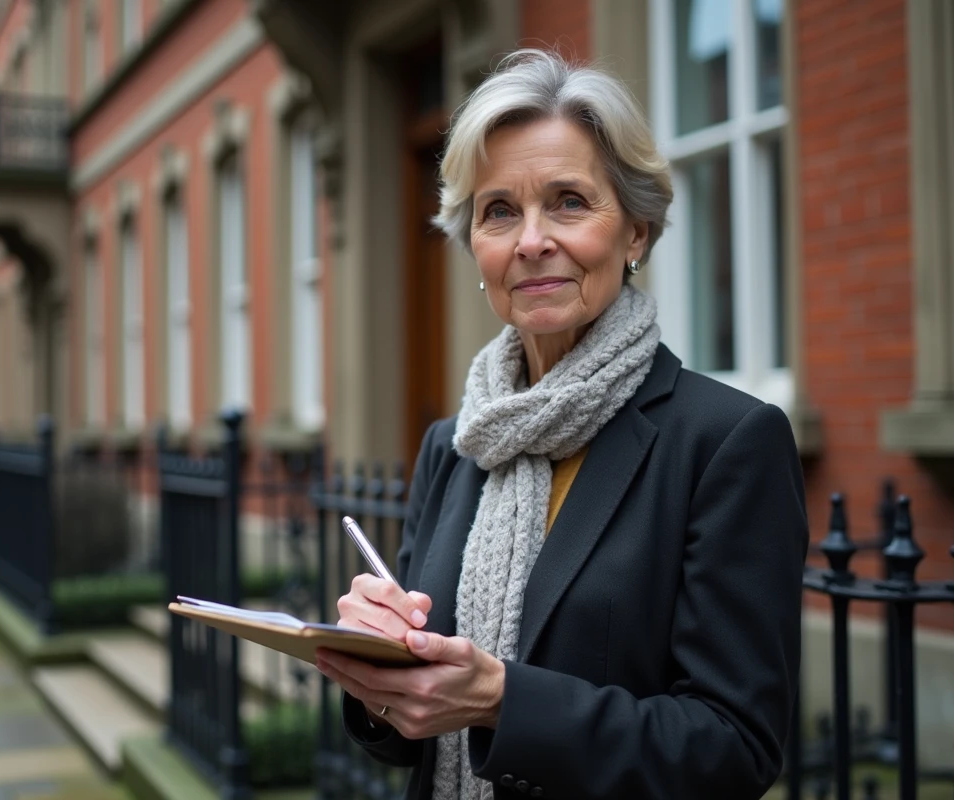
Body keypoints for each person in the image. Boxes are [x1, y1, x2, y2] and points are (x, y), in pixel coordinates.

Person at [313, 49, 808, 800]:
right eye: (499, 210)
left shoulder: (725, 443)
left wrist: (504, 701)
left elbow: (735, 749)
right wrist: (379, 668)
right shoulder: (456, 444)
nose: (531, 241)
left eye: (569, 202)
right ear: (474, 246)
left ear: (635, 232)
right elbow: (405, 736)